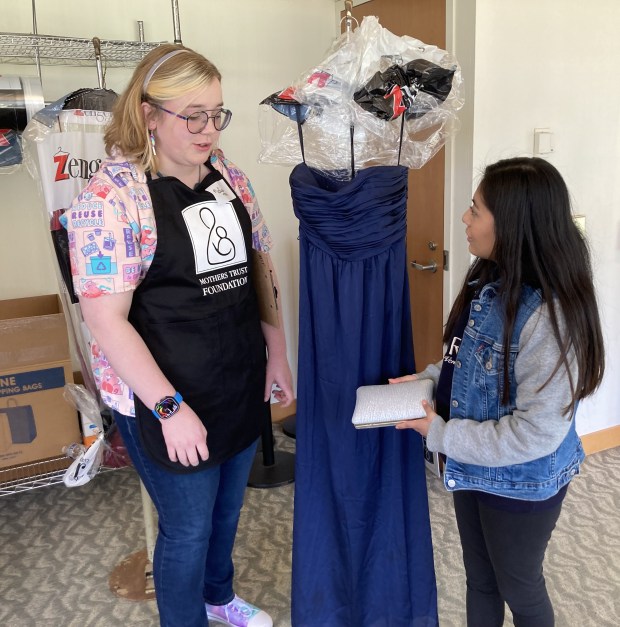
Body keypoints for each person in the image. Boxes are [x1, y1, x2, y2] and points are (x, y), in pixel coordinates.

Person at [66, 44, 293, 627]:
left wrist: (276, 353)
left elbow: (259, 268)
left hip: (236, 377)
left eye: (218, 113)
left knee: (226, 512)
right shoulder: (112, 200)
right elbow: (105, 319)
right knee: (187, 528)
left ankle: (218, 600)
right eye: (193, 115)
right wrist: (169, 407)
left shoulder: (230, 178)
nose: (209, 129)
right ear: (147, 115)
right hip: (163, 394)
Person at [390, 156, 605, 627]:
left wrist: (441, 434)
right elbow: (470, 362)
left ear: (510, 225)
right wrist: (428, 378)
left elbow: (535, 433)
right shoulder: (486, 277)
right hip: (473, 465)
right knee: (480, 580)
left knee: (520, 588)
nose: (465, 219)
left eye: (475, 210)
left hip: (521, 482)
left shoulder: (550, 316)